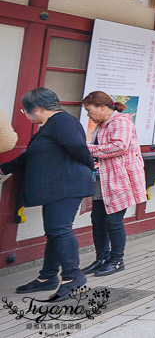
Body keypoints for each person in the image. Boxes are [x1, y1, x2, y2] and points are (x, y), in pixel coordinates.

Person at [0, 88, 92, 301]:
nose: (26, 115)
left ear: (37, 108)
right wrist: (3, 168)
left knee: (59, 229)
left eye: (25, 111)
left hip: (67, 186)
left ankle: (72, 277)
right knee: (54, 231)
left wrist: (89, 165)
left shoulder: (62, 122)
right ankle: (47, 277)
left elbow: (77, 147)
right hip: (58, 187)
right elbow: (28, 157)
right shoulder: (50, 126)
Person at [80, 91, 147, 277]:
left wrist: (87, 147)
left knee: (113, 221)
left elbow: (119, 146)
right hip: (102, 179)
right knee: (97, 220)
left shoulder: (121, 122)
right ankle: (101, 258)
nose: (88, 115)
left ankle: (117, 261)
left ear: (102, 107)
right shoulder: (102, 124)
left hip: (119, 179)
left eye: (89, 110)